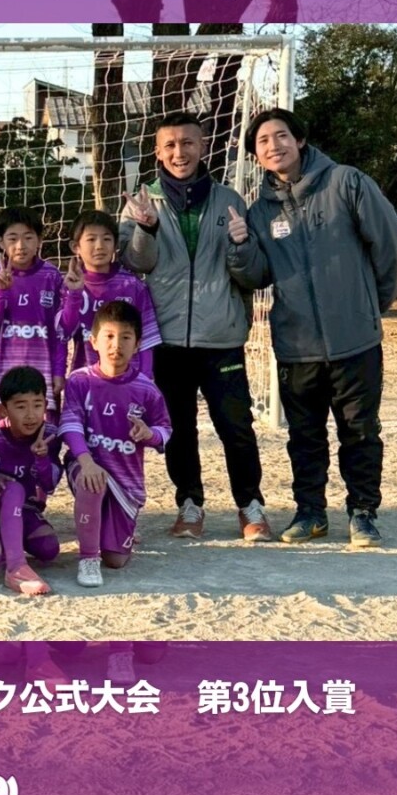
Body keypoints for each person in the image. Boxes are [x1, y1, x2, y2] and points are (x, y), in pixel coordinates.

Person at [242, 107, 397, 547]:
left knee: (360, 432)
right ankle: (311, 513)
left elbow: (389, 245)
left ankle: (363, 513)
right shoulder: (259, 212)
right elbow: (255, 275)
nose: (273, 146)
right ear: (256, 155)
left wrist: (371, 305)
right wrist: (239, 246)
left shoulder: (346, 182)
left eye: (281, 136)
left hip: (356, 339)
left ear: (299, 140)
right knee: (305, 437)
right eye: (263, 141)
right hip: (296, 346)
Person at [119, 111, 271, 542]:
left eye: (187, 143)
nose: (179, 152)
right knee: (179, 428)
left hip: (221, 336)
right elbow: (136, 263)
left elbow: (252, 275)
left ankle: (250, 505)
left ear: (202, 146)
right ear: (157, 152)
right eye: (169, 145)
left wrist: (241, 245)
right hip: (166, 337)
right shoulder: (142, 202)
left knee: (235, 426)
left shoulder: (229, 199)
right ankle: (189, 504)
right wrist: (145, 228)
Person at [60, 301, 171, 588]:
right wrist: (86, 461)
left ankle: (109, 529)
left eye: (125, 337)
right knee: (92, 481)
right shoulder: (80, 381)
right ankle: (88, 559)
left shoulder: (146, 389)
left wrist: (149, 434)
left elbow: (166, 431)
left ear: (137, 345)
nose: (116, 345)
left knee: (116, 560)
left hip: (126, 480)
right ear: (94, 341)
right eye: (109, 336)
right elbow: (70, 424)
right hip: (87, 465)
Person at [0, 206, 66, 418]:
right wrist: (0, 291)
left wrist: (59, 371)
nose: (20, 245)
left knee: (46, 434)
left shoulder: (51, 276)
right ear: (1, 242)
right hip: (6, 372)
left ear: (39, 240)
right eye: (13, 238)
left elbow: (61, 331)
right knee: (5, 433)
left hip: (44, 373)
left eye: (28, 237)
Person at [59, 209, 161, 375]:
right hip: (87, 377)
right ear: (75, 247)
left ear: (116, 245)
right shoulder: (69, 285)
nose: (99, 246)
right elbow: (63, 332)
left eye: (106, 239)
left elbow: (147, 339)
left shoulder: (132, 285)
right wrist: (75, 295)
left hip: (128, 378)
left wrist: (145, 378)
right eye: (91, 239)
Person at [0, 365, 62, 597]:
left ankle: (9, 543)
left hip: (27, 509)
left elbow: (49, 485)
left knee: (48, 549)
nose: (30, 414)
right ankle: (14, 566)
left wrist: (42, 459)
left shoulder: (50, 435)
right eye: (21, 406)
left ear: (46, 406)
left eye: (37, 405)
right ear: (3, 409)